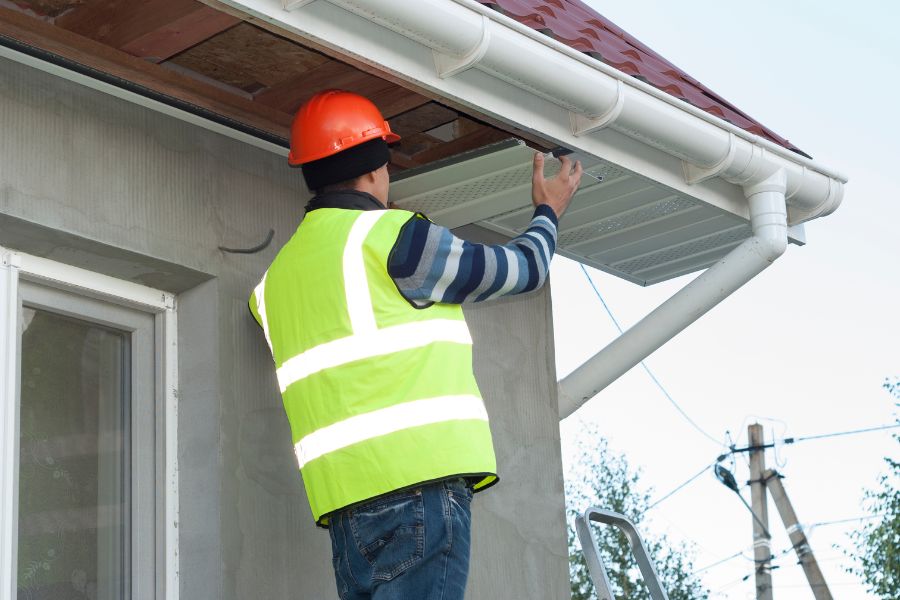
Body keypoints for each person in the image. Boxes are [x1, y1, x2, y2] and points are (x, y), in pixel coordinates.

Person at [249, 89, 581, 600]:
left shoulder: (273, 284)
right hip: (419, 490)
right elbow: (523, 270)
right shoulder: (396, 239)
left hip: (344, 506)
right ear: (376, 169)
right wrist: (547, 212)